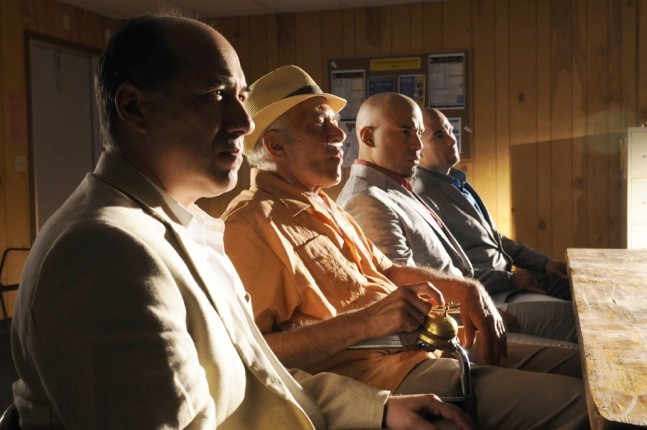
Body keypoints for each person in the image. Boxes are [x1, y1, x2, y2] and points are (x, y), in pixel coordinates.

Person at [9, 16, 475, 429]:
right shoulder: (103, 251)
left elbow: (255, 376)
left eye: (242, 98)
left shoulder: (184, 227)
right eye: (216, 95)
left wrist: (377, 410)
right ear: (134, 108)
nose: (243, 123)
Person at [221, 65, 588, 429]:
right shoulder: (249, 224)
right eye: (319, 124)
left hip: (425, 348)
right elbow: (254, 355)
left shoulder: (323, 204)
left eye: (335, 122)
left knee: (584, 368)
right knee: (584, 406)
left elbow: (387, 270)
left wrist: (467, 289)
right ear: (276, 145)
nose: (340, 134)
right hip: (382, 380)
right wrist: (367, 321)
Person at [336, 92, 576, 343]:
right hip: (452, 329)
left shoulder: (394, 188)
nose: (417, 144)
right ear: (368, 136)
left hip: (472, 306)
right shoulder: (367, 200)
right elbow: (401, 300)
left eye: (419, 133)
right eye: (405, 132)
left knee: (577, 317)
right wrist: (478, 312)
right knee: (576, 327)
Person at [413, 107, 572, 302]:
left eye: (450, 131)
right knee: (572, 312)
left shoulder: (456, 181)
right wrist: (511, 280)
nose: (452, 140)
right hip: (490, 293)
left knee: (579, 286)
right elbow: (445, 272)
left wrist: (544, 263)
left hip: (510, 278)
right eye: (439, 136)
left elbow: (493, 239)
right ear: (417, 148)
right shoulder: (423, 196)